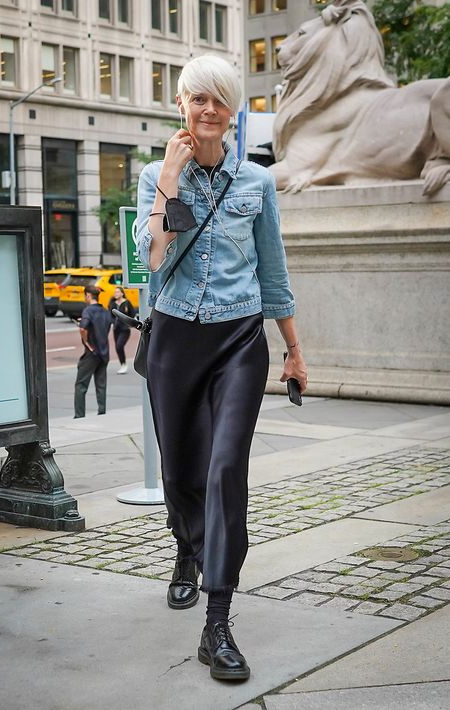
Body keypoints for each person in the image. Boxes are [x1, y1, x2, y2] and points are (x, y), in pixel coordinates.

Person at [135, 54, 308, 682]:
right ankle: (186, 549)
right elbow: (154, 261)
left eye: (220, 101)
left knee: (226, 466)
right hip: (176, 341)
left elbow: (273, 270)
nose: (209, 111)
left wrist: (293, 348)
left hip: (239, 340)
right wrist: (171, 181)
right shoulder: (157, 172)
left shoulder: (256, 184)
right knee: (182, 471)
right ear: (181, 105)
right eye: (198, 99)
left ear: (233, 112)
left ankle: (218, 619)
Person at [74, 285, 112, 418]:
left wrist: (87, 343)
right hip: (105, 352)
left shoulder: (88, 311)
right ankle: (102, 412)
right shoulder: (105, 311)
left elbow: (83, 328)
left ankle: (79, 415)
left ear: (88, 296)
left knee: (81, 385)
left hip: (91, 353)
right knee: (101, 385)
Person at [108, 286, 136, 374]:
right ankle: (122, 365)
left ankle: (124, 364)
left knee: (119, 346)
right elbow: (110, 316)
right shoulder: (113, 304)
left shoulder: (127, 303)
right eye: (115, 292)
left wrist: (129, 323)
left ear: (122, 293)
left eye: (117, 292)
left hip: (125, 329)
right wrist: (112, 322)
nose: (115, 294)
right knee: (117, 347)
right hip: (116, 329)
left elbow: (132, 314)